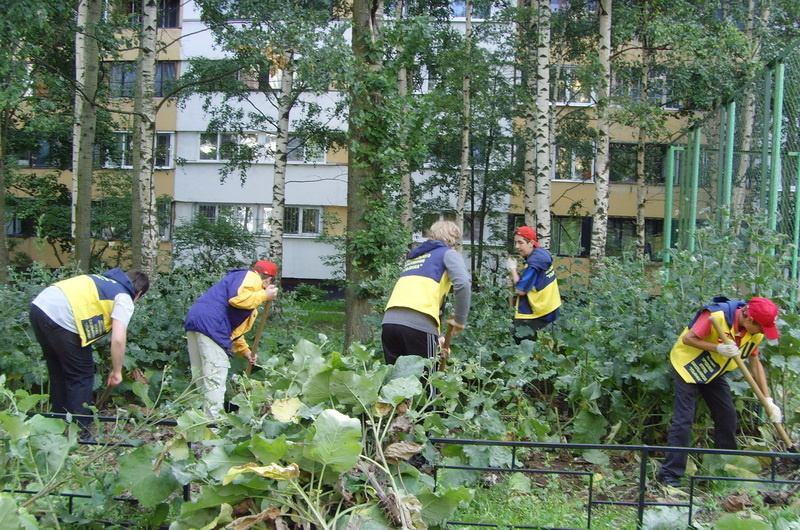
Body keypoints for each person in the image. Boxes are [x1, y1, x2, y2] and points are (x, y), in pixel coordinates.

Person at [656, 296, 782, 488]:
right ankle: (669, 474)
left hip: (713, 369)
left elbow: (755, 365)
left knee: (727, 416)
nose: (763, 332)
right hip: (688, 365)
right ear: (749, 320)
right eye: (762, 328)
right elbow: (688, 339)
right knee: (684, 419)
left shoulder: (755, 332)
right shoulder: (716, 315)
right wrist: (718, 348)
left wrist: (768, 400)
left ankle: (725, 469)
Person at [29, 268, 150, 439]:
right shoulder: (124, 296)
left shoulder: (99, 280)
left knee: (57, 369)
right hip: (63, 317)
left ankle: (57, 426)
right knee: (82, 374)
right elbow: (118, 340)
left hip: (39, 306)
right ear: (138, 294)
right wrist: (117, 371)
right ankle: (81, 434)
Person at [185, 260, 279, 420]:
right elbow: (238, 299)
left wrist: (245, 351)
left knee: (202, 378)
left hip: (197, 321)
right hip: (212, 325)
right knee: (214, 378)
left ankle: (199, 427)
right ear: (268, 280)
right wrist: (265, 295)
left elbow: (234, 330)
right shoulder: (251, 277)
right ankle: (212, 429)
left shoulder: (243, 285)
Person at [382, 220, 471, 367]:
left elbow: (418, 298)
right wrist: (460, 320)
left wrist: (437, 336)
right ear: (454, 240)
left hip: (390, 323)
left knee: (396, 384)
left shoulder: (415, 258)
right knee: (427, 384)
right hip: (418, 327)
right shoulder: (447, 253)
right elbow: (463, 284)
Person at [507, 226, 561, 344]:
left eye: (520, 243)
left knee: (515, 340)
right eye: (516, 242)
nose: (517, 246)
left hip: (539, 311)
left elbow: (521, 290)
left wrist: (513, 269)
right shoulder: (542, 253)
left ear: (531, 243)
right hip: (551, 306)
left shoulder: (533, 265)